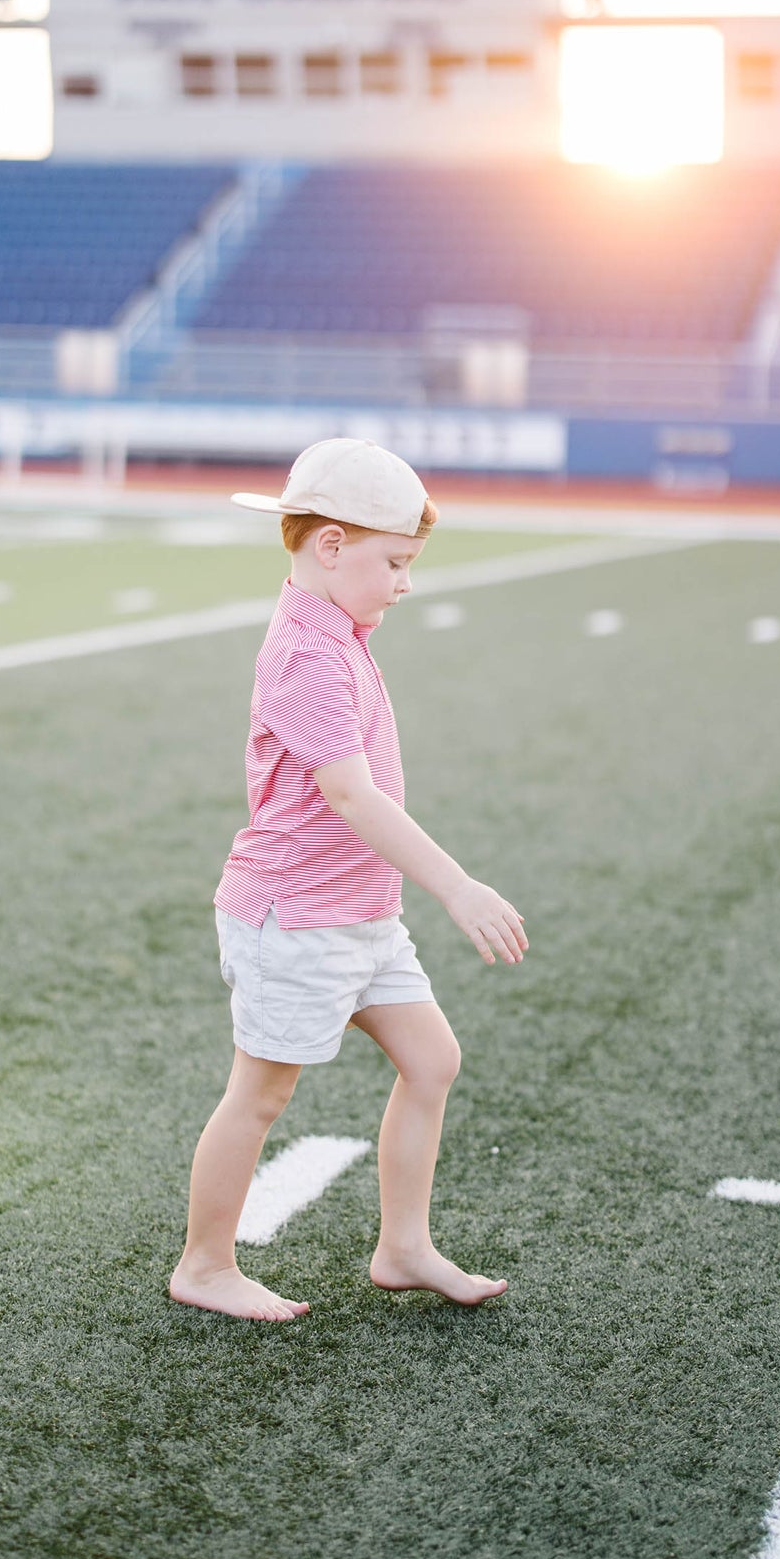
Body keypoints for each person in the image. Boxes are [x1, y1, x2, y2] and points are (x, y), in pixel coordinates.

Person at [169, 437, 528, 1323]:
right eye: (395, 562)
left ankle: (402, 1247)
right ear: (330, 547)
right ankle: (205, 1264)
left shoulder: (340, 631)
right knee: (261, 1092)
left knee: (432, 1059)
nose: (405, 582)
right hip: (296, 916)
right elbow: (350, 796)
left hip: (361, 915)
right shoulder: (306, 655)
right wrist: (458, 887)